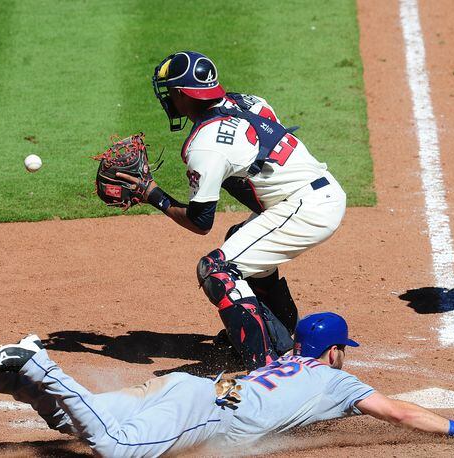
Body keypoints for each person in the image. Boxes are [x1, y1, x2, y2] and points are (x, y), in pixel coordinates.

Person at [0, 312, 454, 457]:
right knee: (113, 449)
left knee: (66, 422)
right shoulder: (340, 383)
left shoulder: (282, 362)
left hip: (181, 390)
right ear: (334, 350)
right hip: (205, 411)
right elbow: (401, 413)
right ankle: (33, 360)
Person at [118, 50, 347, 369]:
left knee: (216, 270)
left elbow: (200, 222)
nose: (168, 99)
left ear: (183, 95)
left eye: (170, 91)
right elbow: (254, 178)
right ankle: (283, 337)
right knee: (239, 240)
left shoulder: (205, 146)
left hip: (306, 208)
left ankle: (266, 368)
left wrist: (152, 193)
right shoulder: (250, 101)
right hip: (318, 193)